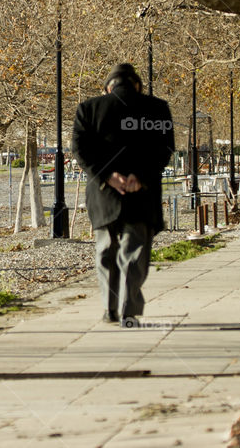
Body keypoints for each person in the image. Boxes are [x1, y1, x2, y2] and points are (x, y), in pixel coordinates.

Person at [71, 63, 174, 327]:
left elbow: (80, 150)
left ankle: (109, 309)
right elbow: (164, 150)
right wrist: (138, 177)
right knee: (135, 252)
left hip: (104, 194)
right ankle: (129, 309)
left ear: (109, 87)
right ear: (137, 85)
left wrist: (107, 175)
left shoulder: (89, 109)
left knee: (106, 250)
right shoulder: (157, 109)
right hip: (142, 192)